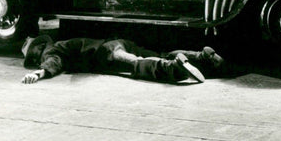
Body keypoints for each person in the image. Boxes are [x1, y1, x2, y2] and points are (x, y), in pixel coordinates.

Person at [20, 35, 225, 85]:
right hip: (118, 42)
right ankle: (202, 57)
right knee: (157, 53)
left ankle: (174, 69)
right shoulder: (63, 42)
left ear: (36, 53)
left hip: (107, 54)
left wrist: (39, 72)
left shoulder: (51, 50)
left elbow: (53, 62)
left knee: (137, 64)